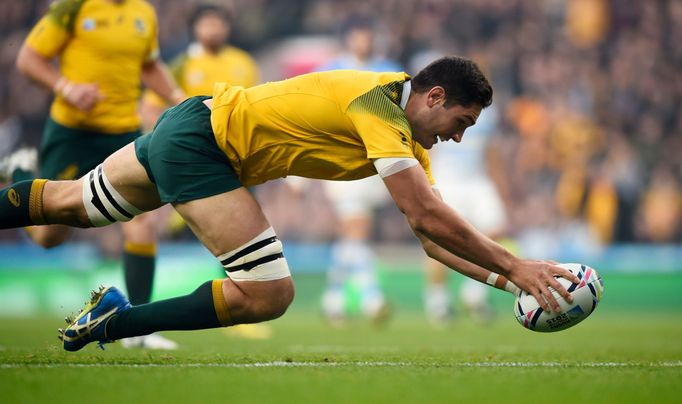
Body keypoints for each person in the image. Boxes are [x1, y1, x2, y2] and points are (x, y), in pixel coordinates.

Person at [0, 56, 579, 351]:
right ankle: (115, 322)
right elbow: (423, 216)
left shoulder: (407, 142)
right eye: (460, 121)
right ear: (433, 97)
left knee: (70, 205)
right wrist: (515, 263)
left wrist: (512, 283)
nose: (459, 137)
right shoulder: (376, 102)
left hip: (195, 123)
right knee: (270, 293)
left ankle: (109, 312)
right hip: (207, 146)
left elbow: (431, 241)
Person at [4, 0, 186, 349]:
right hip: (73, 133)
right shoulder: (73, 7)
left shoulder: (143, 13)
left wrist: (179, 97)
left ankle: (139, 328)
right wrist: (66, 88)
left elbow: (149, 66)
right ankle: (20, 173)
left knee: (142, 221)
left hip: (123, 135)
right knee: (49, 237)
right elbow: (28, 59)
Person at [140, 2, 268, 340]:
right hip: (191, 160)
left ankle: (240, 309)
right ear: (194, 28)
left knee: (242, 236)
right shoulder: (181, 64)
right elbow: (153, 107)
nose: (213, 29)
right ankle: (148, 306)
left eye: (218, 23)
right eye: (206, 23)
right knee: (159, 228)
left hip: (237, 159)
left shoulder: (243, 62)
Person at [316, 17, 402, 325]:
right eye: (358, 35)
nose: (363, 41)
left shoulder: (388, 70)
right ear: (349, 39)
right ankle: (370, 296)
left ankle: (333, 296)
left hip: (377, 158)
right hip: (342, 156)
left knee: (352, 233)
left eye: (368, 35)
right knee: (357, 227)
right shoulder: (332, 69)